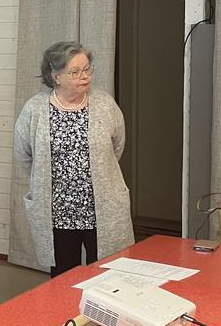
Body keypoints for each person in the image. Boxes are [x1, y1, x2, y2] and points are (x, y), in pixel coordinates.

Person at [14, 41, 134, 276]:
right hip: (58, 212)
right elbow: (24, 154)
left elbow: (116, 147)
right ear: (55, 76)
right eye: (75, 71)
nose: (84, 76)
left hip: (102, 208)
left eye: (87, 69)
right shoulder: (34, 109)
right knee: (63, 278)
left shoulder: (105, 104)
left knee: (106, 275)